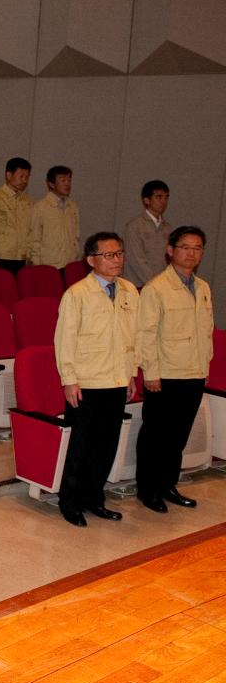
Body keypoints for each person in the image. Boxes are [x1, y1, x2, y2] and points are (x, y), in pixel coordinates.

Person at [53, 231, 139, 527]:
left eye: (119, 254)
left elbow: (133, 336)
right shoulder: (76, 294)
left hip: (116, 380)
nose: (116, 260)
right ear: (91, 260)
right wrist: (69, 379)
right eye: (108, 255)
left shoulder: (129, 290)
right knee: (80, 446)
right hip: (87, 382)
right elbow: (64, 340)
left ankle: (94, 498)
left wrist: (131, 372)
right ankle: (70, 501)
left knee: (106, 445)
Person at [135, 226, 213, 513]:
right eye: (185, 247)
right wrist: (151, 373)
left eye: (197, 248)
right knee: (156, 435)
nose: (191, 253)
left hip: (193, 372)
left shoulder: (202, 287)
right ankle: (148, 489)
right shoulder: (156, 288)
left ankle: (168, 484)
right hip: (165, 374)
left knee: (178, 436)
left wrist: (205, 366)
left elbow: (205, 332)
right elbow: (146, 334)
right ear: (170, 250)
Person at [0, 157, 33, 273]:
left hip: (22, 257)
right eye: (21, 176)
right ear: (9, 175)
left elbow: (30, 231)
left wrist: (29, 255)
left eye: (27, 177)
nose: (24, 180)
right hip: (2, 257)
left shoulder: (28, 201)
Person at [123, 180, 173, 287]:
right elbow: (137, 260)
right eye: (159, 197)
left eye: (166, 197)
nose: (163, 201)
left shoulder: (168, 228)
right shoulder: (134, 226)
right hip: (137, 285)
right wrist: (155, 285)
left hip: (160, 285)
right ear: (146, 200)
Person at [29, 165, 80, 269]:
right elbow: (34, 239)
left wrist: (76, 257)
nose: (67, 184)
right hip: (48, 265)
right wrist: (36, 264)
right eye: (63, 180)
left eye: (69, 180)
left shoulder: (73, 207)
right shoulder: (40, 207)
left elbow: (76, 237)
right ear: (51, 184)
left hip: (69, 264)